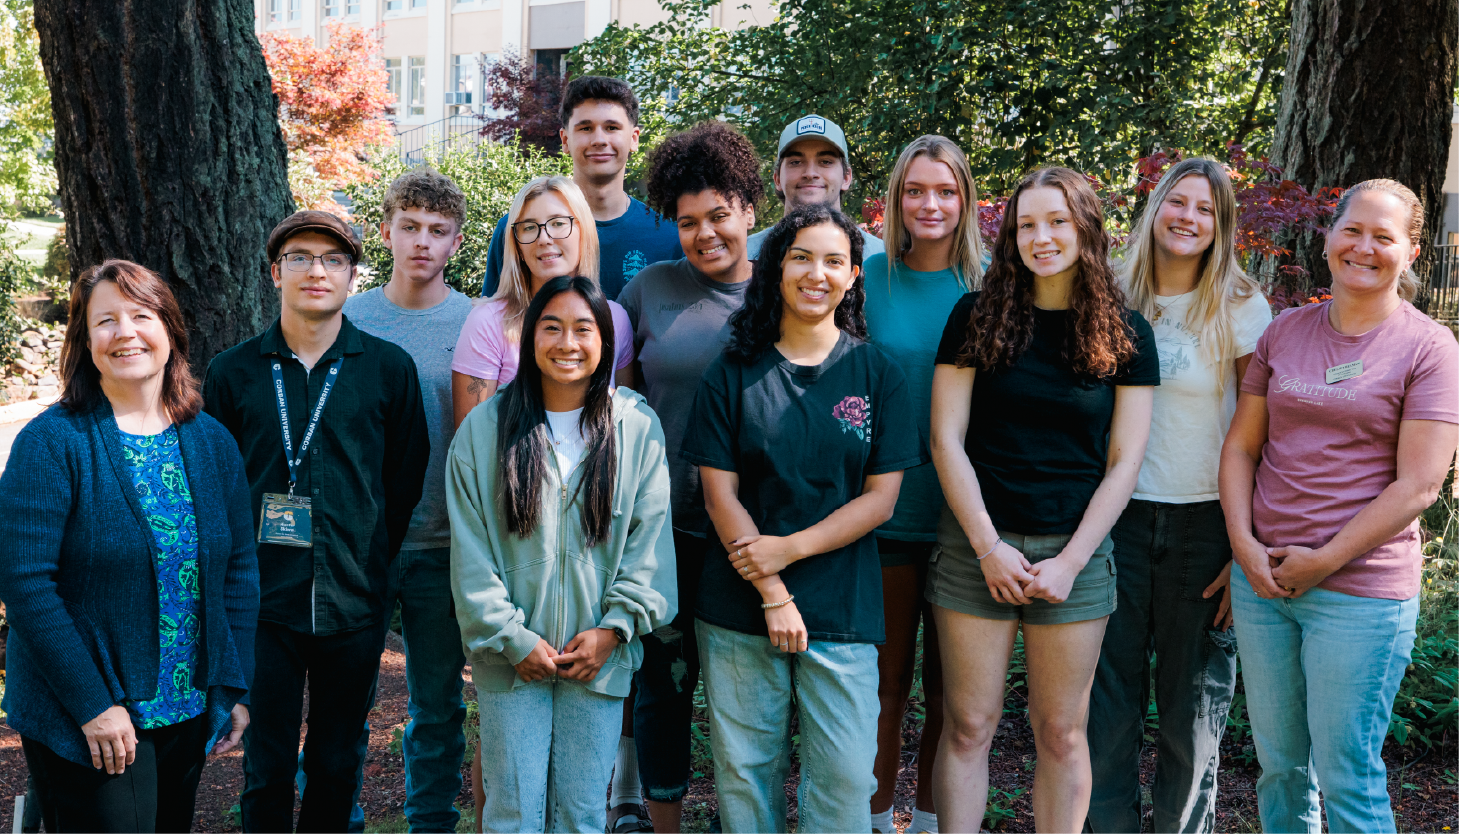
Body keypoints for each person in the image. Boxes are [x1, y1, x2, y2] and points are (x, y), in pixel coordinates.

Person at [1220, 179, 1459, 834]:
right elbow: (1241, 448)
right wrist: (1242, 546)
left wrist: (1322, 560)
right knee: (1278, 768)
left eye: (1383, 237)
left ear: (1410, 251)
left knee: (1346, 774)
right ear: (1328, 236)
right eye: (1351, 230)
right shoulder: (1284, 332)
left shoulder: (1428, 349)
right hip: (1263, 584)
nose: (1363, 247)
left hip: (1359, 595)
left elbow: (1418, 485)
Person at [682, 204, 927, 833]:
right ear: (776, 268)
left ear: (852, 278)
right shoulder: (732, 372)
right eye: (801, 257)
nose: (816, 273)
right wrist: (770, 590)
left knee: (846, 780)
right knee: (745, 776)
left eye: (834, 261)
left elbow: (880, 501)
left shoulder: (877, 375)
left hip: (843, 607)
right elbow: (719, 496)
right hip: (739, 604)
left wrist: (786, 552)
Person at [928, 167, 1158, 833]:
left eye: (1056, 221)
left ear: (1085, 229)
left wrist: (1069, 561)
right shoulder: (974, 317)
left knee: (1060, 731)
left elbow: (1124, 463)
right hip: (977, 547)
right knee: (968, 725)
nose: (1041, 237)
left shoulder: (1126, 334)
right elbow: (945, 439)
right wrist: (986, 546)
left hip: (1075, 557)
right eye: (1026, 224)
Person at [0, 260, 259, 833]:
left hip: (184, 707)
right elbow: (25, 586)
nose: (125, 333)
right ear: (84, 341)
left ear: (169, 331)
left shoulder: (211, 441)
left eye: (141, 315)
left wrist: (234, 685)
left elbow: (238, 570)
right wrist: (93, 705)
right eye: (105, 321)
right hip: (85, 714)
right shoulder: (52, 443)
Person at [204, 210, 431, 833]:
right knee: (267, 762)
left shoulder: (388, 369)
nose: (316, 271)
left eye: (333, 260)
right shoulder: (233, 371)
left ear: (352, 277)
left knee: (337, 761)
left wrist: (370, 554)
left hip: (354, 598)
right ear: (276, 272)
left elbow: (403, 479)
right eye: (300, 257)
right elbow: (219, 485)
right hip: (262, 602)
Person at [448, 275, 677, 834]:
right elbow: (470, 551)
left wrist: (615, 628)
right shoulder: (485, 429)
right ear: (529, 339)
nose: (567, 343)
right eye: (551, 327)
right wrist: (512, 638)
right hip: (512, 661)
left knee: (581, 815)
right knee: (512, 811)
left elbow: (651, 543)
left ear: (605, 341)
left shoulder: (637, 428)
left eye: (584, 328)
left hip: (598, 657)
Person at [1085, 157, 1271, 834]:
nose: (1188, 218)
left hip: (1206, 528)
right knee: (1105, 711)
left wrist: (1246, 547)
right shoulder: (1106, 291)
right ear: (1155, 206)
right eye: (1178, 202)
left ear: (1220, 227)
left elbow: (1263, 437)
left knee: (1192, 719)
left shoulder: (1242, 306)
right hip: (1115, 522)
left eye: (1205, 210)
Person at [618, 120, 762, 834]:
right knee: (663, 686)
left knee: (749, 693)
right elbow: (612, 409)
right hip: (667, 527)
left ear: (748, 210)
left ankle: (745, 819)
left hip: (759, 532)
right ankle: (663, 822)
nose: (704, 233)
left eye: (717, 216)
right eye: (686, 222)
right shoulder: (647, 292)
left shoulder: (784, 290)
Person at [335, 167, 474, 834]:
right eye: (410, 226)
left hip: (443, 541)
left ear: (455, 242)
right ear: (386, 230)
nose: (422, 241)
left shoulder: (476, 321)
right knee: (342, 700)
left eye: (437, 230)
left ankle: (431, 824)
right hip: (359, 545)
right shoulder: (347, 317)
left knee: (439, 705)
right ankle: (341, 816)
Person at [861, 134, 985, 834]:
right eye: (915, 190)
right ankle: (877, 819)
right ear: (895, 199)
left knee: (956, 695)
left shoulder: (994, 283)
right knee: (881, 688)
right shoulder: (866, 278)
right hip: (882, 516)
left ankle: (941, 821)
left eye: (944, 190)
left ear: (964, 198)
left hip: (967, 522)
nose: (929, 204)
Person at [452, 175, 637, 430]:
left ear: (583, 230)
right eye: (529, 227)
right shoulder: (489, 322)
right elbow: (469, 445)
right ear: (516, 245)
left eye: (558, 223)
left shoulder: (615, 319)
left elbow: (627, 427)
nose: (544, 238)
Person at [480, 76, 682, 300]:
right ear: (565, 140)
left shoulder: (669, 236)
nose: (599, 139)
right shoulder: (519, 231)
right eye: (585, 128)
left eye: (612, 127)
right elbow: (494, 319)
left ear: (634, 138)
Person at [745, 114, 884, 261]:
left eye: (825, 161)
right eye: (796, 162)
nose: (810, 173)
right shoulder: (745, 255)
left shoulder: (882, 259)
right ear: (777, 179)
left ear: (846, 177)